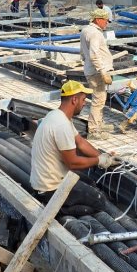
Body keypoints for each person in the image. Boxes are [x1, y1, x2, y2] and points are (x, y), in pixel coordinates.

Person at [30, 80, 119, 215]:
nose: (84, 103)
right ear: (74, 100)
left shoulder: (57, 115)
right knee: (99, 201)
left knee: (90, 183)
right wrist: (99, 161)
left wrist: (104, 156)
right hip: (50, 188)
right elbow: (72, 163)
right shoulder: (61, 125)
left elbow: (81, 143)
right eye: (83, 99)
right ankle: (58, 210)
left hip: (49, 180)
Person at [79, 8, 114, 140]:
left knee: (100, 98)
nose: (107, 23)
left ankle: (99, 123)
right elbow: (94, 54)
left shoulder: (86, 30)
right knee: (98, 100)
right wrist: (103, 72)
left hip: (92, 69)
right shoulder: (95, 33)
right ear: (98, 20)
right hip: (96, 72)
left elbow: (83, 52)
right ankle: (93, 130)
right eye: (105, 20)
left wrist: (86, 62)